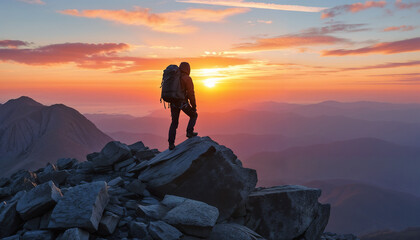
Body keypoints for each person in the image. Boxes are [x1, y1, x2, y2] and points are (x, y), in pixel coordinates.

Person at [168, 62, 198, 150]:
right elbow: (191, 94)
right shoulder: (187, 78)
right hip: (182, 103)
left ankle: (171, 144)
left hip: (173, 103)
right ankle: (189, 132)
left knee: (174, 122)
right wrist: (194, 106)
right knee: (194, 115)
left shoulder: (174, 77)